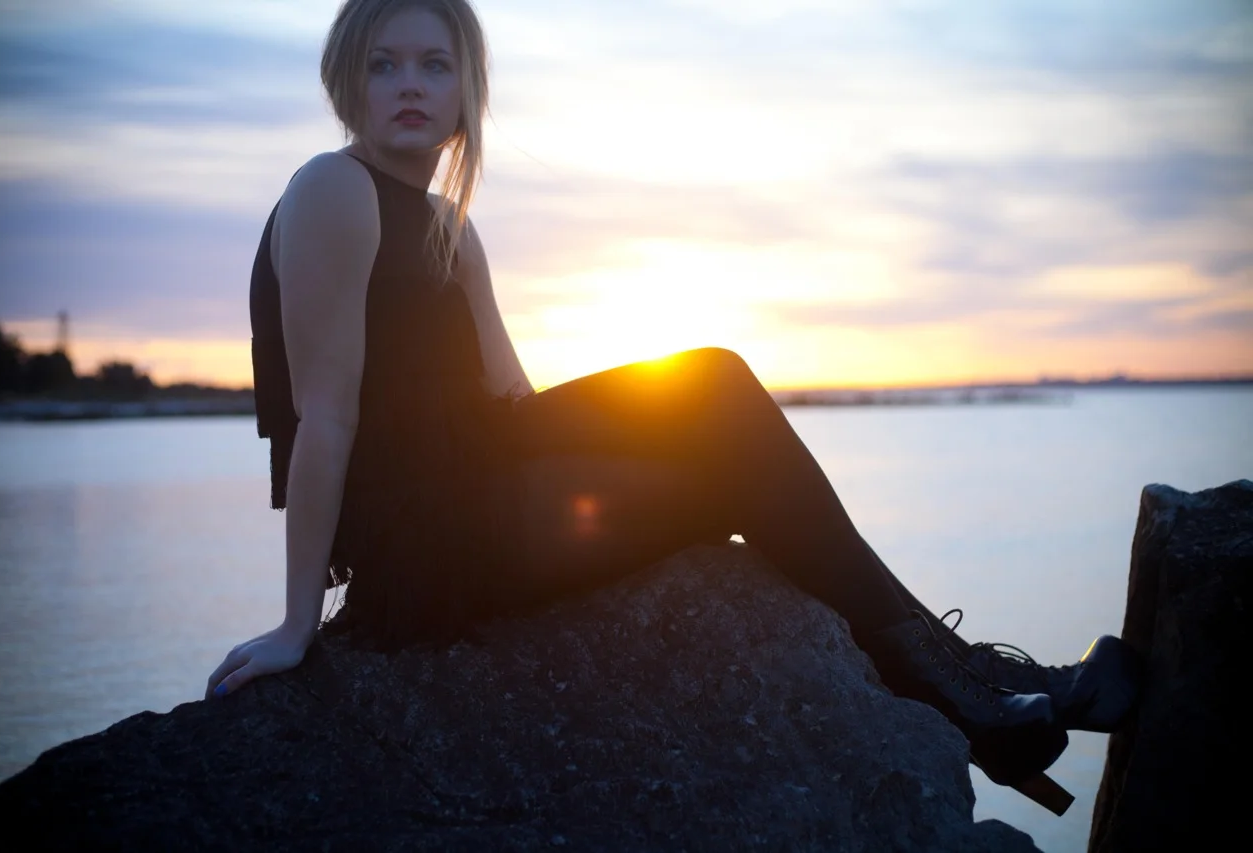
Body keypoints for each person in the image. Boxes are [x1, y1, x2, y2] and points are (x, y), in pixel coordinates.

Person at [207, 0, 1141, 817]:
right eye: (384, 63)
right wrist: (296, 625)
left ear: (465, 94)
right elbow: (326, 416)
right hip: (429, 542)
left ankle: (976, 695)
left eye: (435, 64)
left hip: (485, 487)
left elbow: (511, 400)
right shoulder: (332, 189)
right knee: (716, 399)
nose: (409, 84)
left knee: (716, 402)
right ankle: (981, 694)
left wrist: (667, 427)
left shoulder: (451, 226)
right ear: (345, 80)